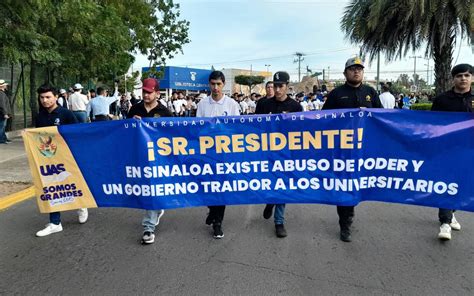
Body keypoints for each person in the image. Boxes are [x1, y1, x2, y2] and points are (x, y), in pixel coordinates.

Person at [322, 56, 382, 242]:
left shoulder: (370, 92)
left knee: (361, 184)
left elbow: (382, 118)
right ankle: (345, 222)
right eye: (352, 68)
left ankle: (351, 210)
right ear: (345, 73)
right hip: (342, 150)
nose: (356, 71)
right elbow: (323, 119)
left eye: (359, 69)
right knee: (344, 185)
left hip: (364, 150)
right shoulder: (336, 94)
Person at [35, 84, 89, 237]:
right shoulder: (40, 116)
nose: (45, 100)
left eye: (48, 97)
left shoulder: (66, 114)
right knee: (50, 187)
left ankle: (82, 204)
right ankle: (55, 222)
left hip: (67, 156)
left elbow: (77, 135)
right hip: (48, 158)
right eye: (42, 97)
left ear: (56, 97)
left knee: (72, 183)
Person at [256, 72, 303, 238]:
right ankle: (270, 200)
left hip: (286, 154)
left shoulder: (296, 107)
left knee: (282, 185)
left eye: (280, 86)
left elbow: (301, 132)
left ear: (287, 86)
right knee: (270, 184)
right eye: (274, 86)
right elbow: (256, 128)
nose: (277, 89)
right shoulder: (263, 105)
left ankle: (279, 222)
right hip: (267, 153)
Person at [127, 78, 173, 244]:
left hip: (158, 157)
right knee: (147, 188)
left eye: (149, 92)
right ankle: (156, 210)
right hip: (140, 156)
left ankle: (148, 227)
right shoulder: (135, 109)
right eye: (144, 92)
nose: (146, 95)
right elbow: (125, 132)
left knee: (152, 187)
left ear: (157, 93)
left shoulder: (165, 112)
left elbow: (172, 135)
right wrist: (132, 125)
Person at [431, 63, 473, 240]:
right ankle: (445, 223)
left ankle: (452, 211)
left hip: (470, 151)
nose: (463, 78)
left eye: (466, 75)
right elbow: (431, 124)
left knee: (462, 185)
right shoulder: (442, 99)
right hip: (447, 151)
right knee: (446, 185)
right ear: (453, 78)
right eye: (459, 76)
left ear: (472, 78)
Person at [196, 71, 240, 239]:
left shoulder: (232, 104)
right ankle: (212, 210)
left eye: (218, 84)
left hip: (225, 154)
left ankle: (217, 222)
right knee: (206, 185)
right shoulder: (202, 104)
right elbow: (197, 127)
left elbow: (237, 129)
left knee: (221, 187)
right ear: (209, 84)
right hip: (206, 154)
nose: (215, 87)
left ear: (223, 85)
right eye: (213, 84)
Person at [0, 79, 12, 144]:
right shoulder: (1, 94)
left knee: (3, 126)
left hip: (2, 113)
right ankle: (2, 140)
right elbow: (2, 105)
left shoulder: (2, 93)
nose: (5, 86)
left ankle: (4, 138)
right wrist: (5, 113)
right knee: (2, 126)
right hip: (2, 114)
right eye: (4, 85)